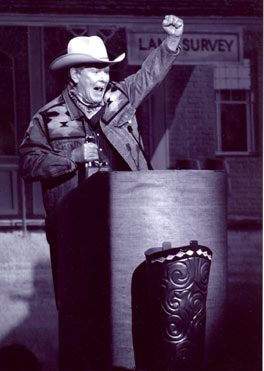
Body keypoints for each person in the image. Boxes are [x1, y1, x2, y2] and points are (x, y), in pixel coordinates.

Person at [19, 15, 184, 304]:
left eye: (106, 71)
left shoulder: (119, 98)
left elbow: (149, 75)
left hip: (126, 222)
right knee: (79, 308)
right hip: (73, 231)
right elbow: (28, 162)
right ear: (75, 76)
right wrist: (70, 157)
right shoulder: (48, 117)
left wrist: (171, 43)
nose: (104, 78)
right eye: (96, 71)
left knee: (129, 304)